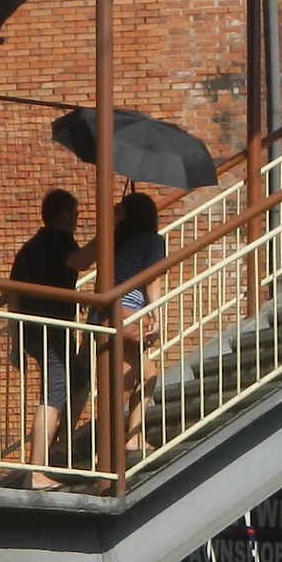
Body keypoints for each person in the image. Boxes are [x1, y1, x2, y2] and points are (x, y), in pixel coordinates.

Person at [8, 188, 92, 484]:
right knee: (53, 397)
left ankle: (59, 448)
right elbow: (81, 262)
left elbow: (13, 295)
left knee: (79, 380)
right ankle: (36, 472)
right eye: (75, 214)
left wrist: (15, 341)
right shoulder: (60, 242)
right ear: (64, 214)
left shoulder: (29, 248)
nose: (77, 220)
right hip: (52, 331)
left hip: (33, 330)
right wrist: (110, 236)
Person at [107, 191, 167, 446]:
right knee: (134, 378)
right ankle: (115, 444)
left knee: (142, 373)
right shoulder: (153, 241)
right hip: (129, 310)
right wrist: (157, 315)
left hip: (108, 310)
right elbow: (152, 279)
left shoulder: (117, 240)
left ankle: (131, 437)